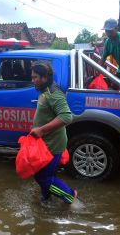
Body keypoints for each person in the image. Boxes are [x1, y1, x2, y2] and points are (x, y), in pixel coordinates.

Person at [29, 61, 77, 204]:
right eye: (32, 77)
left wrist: (41, 130)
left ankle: (70, 196)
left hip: (52, 144)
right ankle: (46, 199)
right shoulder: (45, 91)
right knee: (44, 175)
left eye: (35, 77)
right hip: (45, 143)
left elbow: (67, 116)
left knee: (42, 177)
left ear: (44, 78)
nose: (33, 81)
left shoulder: (54, 93)